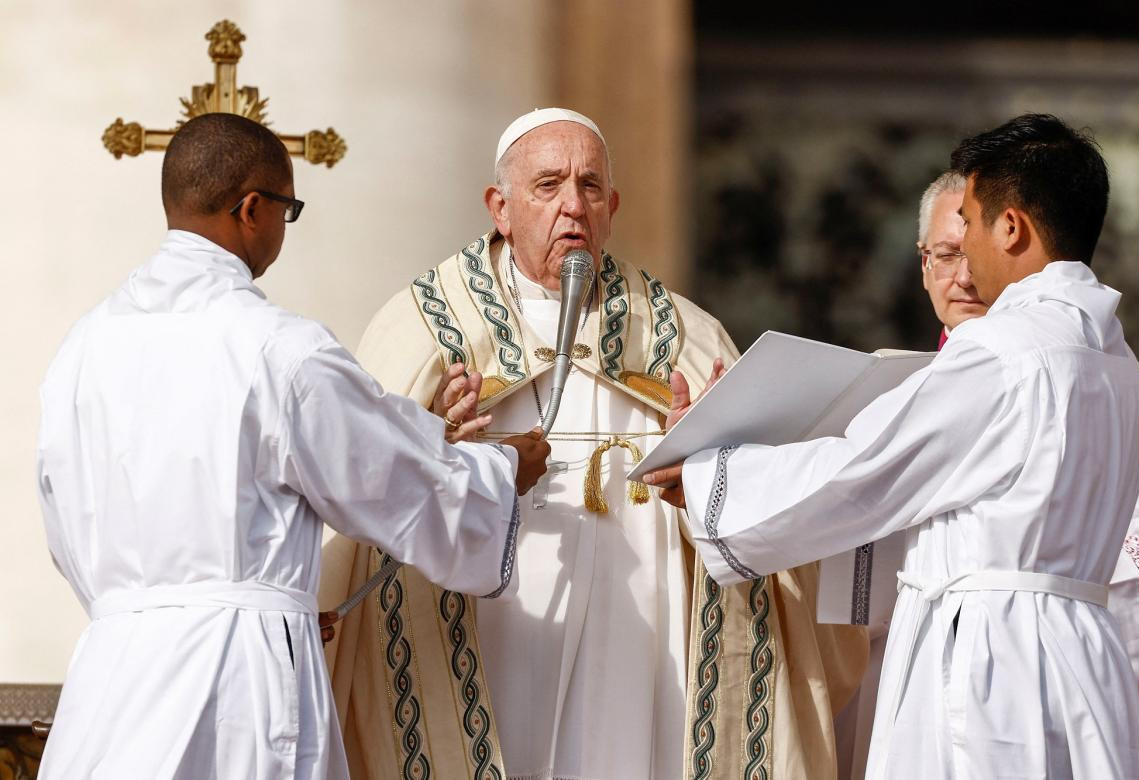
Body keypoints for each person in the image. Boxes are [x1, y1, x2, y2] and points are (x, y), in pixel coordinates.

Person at [321, 108, 867, 780]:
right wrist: (431, 435)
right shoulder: (424, 329)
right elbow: (353, 498)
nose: (572, 207)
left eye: (589, 187)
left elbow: (765, 517)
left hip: (641, 643)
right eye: (547, 187)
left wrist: (710, 460)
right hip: (495, 632)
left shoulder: (685, 339)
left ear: (612, 207)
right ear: (501, 207)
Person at [34, 112, 550, 779]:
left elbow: (65, 525)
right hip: (235, 686)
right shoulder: (278, 347)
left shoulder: (82, 348)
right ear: (253, 209)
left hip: (113, 675)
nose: (284, 226)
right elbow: (386, 475)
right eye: (288, 209)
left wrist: (267, 592)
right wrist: (501, 469)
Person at [647, 113, 1139, 777]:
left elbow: (861, 472)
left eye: (968, 222)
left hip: (989, 668)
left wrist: (709, 474)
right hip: (1085, 662)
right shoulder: (1118, 368)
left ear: (1011, 227)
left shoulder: (1003, 353)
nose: (962, 253)